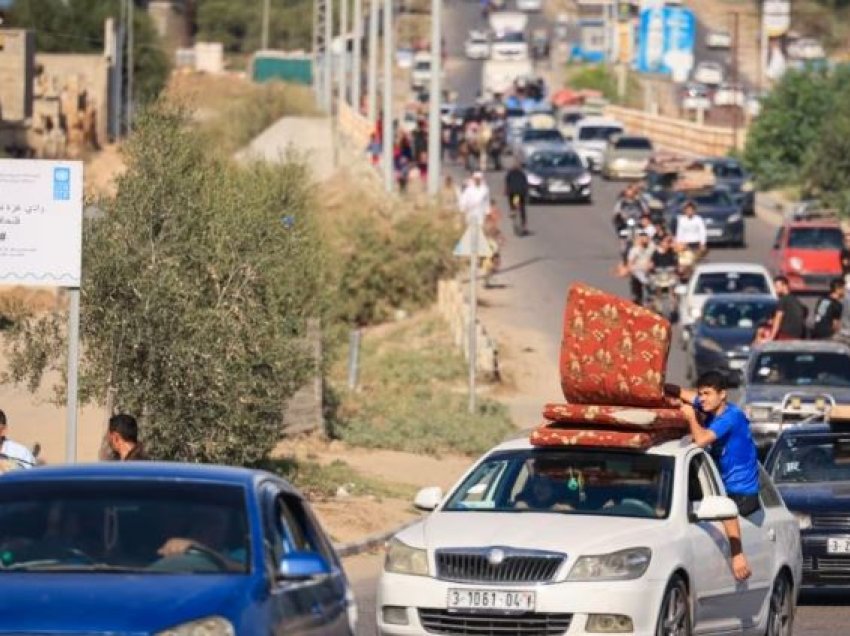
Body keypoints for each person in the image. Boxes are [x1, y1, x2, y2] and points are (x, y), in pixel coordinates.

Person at [665, 372, 760, 581]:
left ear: (723, 395)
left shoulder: (730, 417)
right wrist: (657, 385)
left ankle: (737, 555)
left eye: (707, 394)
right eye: (701, 394)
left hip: (740, 495)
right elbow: (682, 393)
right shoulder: (710, 407)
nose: (703, 399)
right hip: (721, 487)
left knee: (719, 506)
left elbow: (701, 440)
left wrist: (690, 417)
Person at [769, 275, 807, 340]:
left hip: (785, 335)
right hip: (797, 335)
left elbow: (778, 319)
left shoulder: (783, 300)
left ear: (785, 286)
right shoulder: (795, 300)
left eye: (777, 286)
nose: (775, 289)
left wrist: (771, 337)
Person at [626, 231, 655, 305]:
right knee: (640, 278)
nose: (645, 241)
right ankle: (638, 297)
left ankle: (650, 296)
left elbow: (655, 258)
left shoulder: (652, 248)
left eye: (646, 239)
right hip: (637, 270)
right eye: (642, 239)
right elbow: (630, 263)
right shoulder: (635, 250)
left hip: (649, 269)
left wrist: (651, 264)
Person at [504, 159, 529, 234]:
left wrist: (506, 190)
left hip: (514, 193)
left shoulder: (510, 173)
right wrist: (526, 193)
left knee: (514, 204)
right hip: (520, 193)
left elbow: (507, 183)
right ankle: (523, 224)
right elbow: (525, 184)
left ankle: (513, 210)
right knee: (522, 208)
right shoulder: (522, 174)